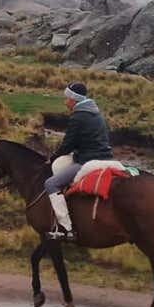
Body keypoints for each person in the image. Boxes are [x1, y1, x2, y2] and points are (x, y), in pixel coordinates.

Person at [44, 81, 113, 240]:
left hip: (88, 160)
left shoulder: (78, 116)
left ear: (74, 100)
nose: (65, 102)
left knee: (51, 184)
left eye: (66, 98)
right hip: (106, 157)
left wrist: (52, 158)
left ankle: (65, 228)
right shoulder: (96, 113)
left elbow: (67, 145)